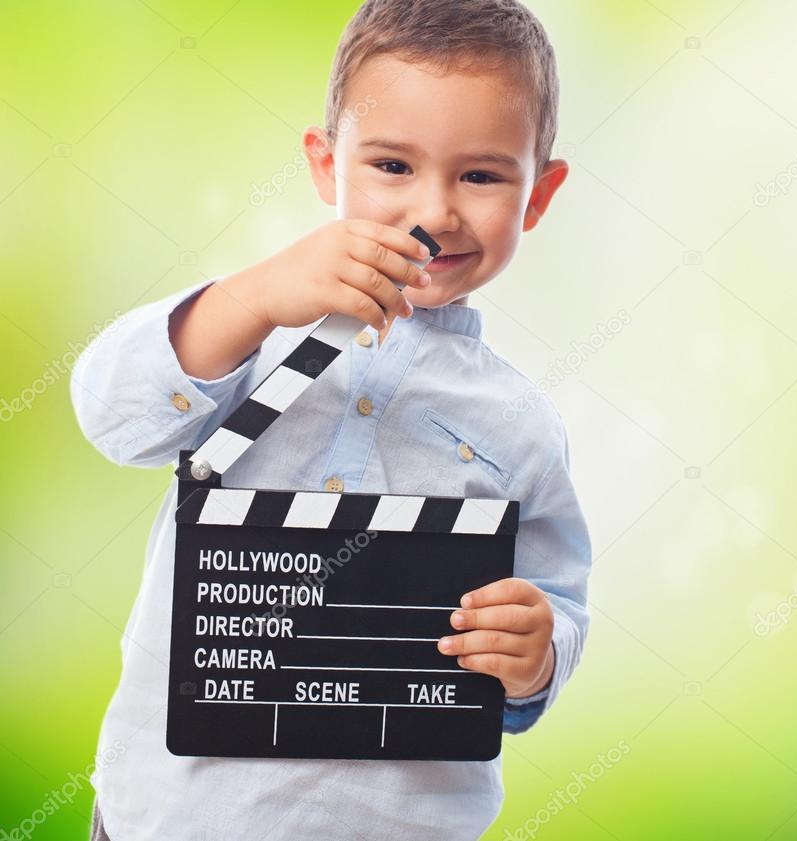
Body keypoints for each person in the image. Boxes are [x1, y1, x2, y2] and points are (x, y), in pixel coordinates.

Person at [71, 1, 591, 838]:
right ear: (325, 164)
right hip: (171, 812)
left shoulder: (521, 422)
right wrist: (249, 297)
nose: (437, 209)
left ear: (539, 194)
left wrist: (538, 652)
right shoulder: (248, 328)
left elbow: (555, 604)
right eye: (392, 164)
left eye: (482, 175)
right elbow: (112, 416)